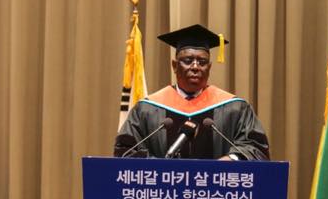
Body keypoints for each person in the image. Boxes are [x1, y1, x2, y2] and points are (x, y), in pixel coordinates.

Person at [114, 24, 270, 160]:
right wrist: (160, 168)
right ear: (174, 66)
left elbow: (256, 148)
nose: (195, 67)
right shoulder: (147, 109)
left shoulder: (235, 109)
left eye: (202, 62)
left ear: (209, 68)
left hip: (217, 192)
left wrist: (233, 158)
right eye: (187, 61)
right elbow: (125, 151)